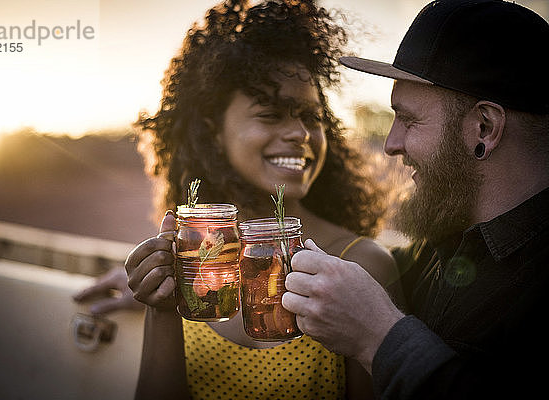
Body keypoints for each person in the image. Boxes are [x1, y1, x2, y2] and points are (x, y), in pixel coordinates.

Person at [115, 1, 407, 399]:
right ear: (212, 132)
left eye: (311, 116)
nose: (300, 133)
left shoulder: (361, 265)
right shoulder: (191, 263)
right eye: (271, 115)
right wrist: (161, 305)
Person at [281, 0, 549, 398]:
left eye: (408, 119)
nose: (391, 144)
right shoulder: (439, 249)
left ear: (484, 126)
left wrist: (379, 337)